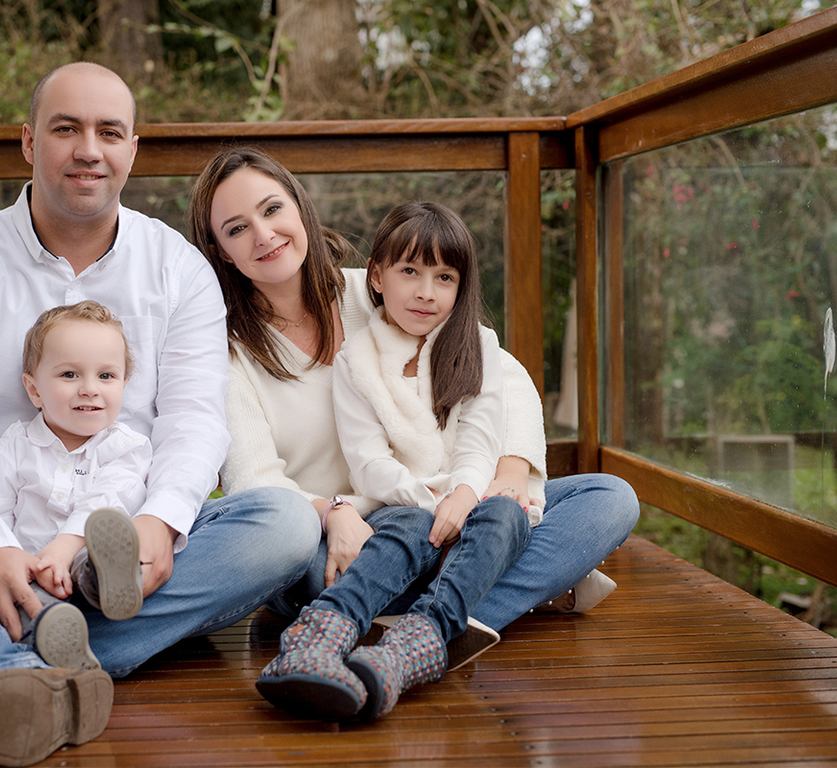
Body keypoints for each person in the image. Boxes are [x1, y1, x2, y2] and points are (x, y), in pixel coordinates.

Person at [0, 65, 318, 767]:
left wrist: (162, 519)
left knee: (286, 523)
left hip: (119, 546)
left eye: (109, 132)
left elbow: (196, 419)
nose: (90, 149)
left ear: (132, 150)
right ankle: (10, 661)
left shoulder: (178, 268)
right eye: (66, 129)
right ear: (29, 143)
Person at [185, 146, 638, 697]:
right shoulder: (226, 354)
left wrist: (510, 475)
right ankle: (457, 609)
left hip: (447, 503)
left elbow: (502, 373)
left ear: (299, 208)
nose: (264, 234)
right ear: (221, 251)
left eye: (272, 209)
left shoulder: (378, 287)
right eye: (237, 228)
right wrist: (334, 514)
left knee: (606, 496)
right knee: (306, 562)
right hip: (342, 542)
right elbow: (253, 485)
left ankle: (409, 630)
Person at [259, 200, 546, 720]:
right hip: (401, 507)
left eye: (444, 277)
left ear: (461, 288)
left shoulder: (478, 346)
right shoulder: (356, 361)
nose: (424, 292)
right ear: (376, 278)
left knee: (518, 511)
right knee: (411, 527)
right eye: (409, 271)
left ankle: (411, 645)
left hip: (474, 499)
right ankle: (323, 632)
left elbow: (481, 439)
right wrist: (438, 504)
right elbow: (368, 464)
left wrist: (465, 495)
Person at [0, 301, 149, 624]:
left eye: (106, 375)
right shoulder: (16, 446)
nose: (89, 389)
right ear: (35, 390)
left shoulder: (125, 447)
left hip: (87, 564)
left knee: (94, 560)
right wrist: (14, 559)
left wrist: (64, 548)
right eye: (69, 374)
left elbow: (110, 501)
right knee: (30, 604)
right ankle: (55, 631)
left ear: (123, 385)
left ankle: (109, 587)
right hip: (30, 572)